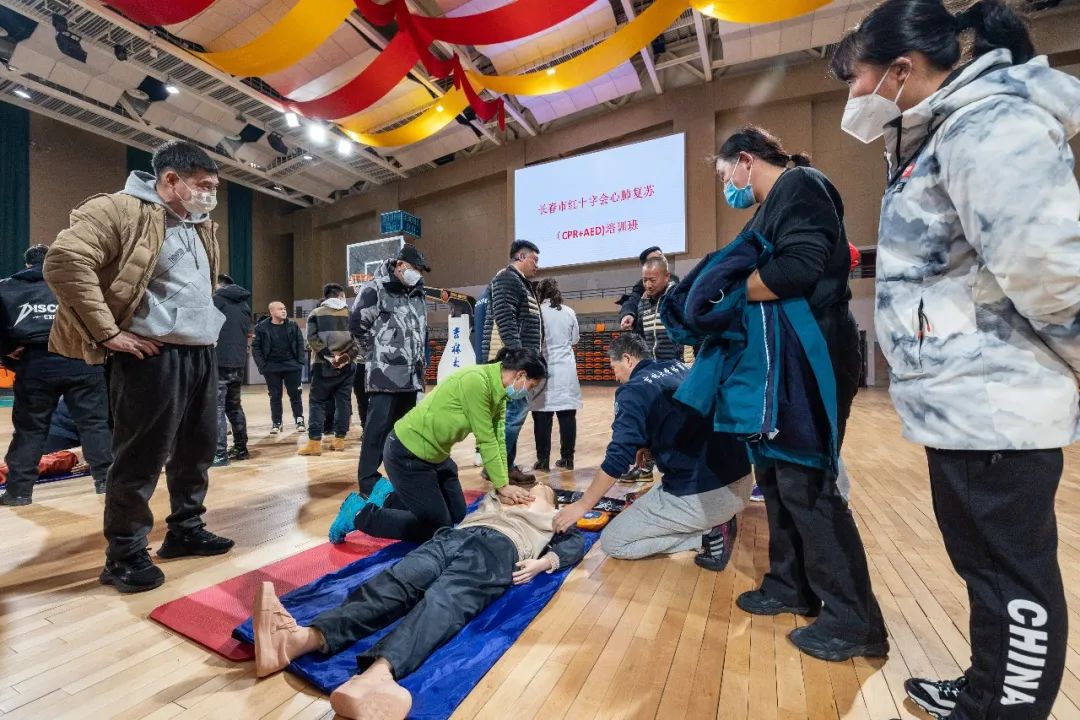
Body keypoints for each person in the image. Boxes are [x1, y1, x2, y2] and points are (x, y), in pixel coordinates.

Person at [831, 1, 1079, 716]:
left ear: (900, 70)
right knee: (987, 571)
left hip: (997, 402)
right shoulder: (942, 133)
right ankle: (984, 690)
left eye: (856, 78)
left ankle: (1004, 708)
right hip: (967, 405)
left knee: (1012, 581)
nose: (853, 95)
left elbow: (1053, 278)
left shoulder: (989, 127)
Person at [714, 126, 886, 660]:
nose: (727, 186)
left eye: (725, 175)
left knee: (806, 482)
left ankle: (855, 621)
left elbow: (797, 269)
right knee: (775, 478)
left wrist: (722, 291)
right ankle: (792, 585)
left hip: (816, 356)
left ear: (745, 160)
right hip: (783, 366)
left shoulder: (801, 184)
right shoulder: (767, 208)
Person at [45, 140, 234, 593]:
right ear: (170, 179)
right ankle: (125, 554)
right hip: (151, 355)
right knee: (140, 457)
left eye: (214, 187)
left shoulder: (199, 224)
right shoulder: (119, 209)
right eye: (203, 185)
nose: (210, 194)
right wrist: (107, 332)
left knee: (197, 451)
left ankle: (185, 530)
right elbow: (65, 261)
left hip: (200, 351)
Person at [254, 481, 584, 720]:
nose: (538, 487)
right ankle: (302, 639)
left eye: (544, 488)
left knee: (445, 600)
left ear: (552, 498)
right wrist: (504, 488)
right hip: (454, 537)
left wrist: (543, 563)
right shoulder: (503, 495)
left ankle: (377, 676)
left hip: (500, 549)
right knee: (398, 582)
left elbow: (574, 543)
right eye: (534, 484)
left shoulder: (555, 514)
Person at [554, 333, 751, 571]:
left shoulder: (633, 391)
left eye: (614, 368)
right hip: (740, 480)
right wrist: (647, 445)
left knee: (613, 541)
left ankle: (708, 534)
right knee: (639, 500)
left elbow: (617, 458)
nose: (616, 377)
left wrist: (582, 505)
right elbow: (681, 419)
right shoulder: (678, 367)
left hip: (710, 496)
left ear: (627, 359)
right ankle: (711, 519)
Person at [327, 348, 545, 545]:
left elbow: (498, 438)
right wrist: (503, 486)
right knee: (438, 527)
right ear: (521, 375)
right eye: (531, 386)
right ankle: (359, 514)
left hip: (437, 457)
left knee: (457, 515)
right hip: (408, 454)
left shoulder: (499, 392)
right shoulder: (477, 381)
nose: (528, 391)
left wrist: (502, 483)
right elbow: (486, 439)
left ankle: (388, 497)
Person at [0, 244, 113, 503]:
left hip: (35, 364)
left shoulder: (7, 287)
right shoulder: (81, 283)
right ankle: (106, 482)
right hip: (81, 360)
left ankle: (18, 492)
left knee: (29, 430)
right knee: (94, 425)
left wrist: (8, 351)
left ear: (28, 265)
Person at [350, 245, 430, 497]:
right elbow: (357, 325)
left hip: (412, 376)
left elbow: (421, 330)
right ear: (400, 265)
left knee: (404, 432)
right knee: (376, 432)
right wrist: (376, 354)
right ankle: (368, 482)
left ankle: (402, 477)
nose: (418, 273)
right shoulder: (375, 288)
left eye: (420, 270)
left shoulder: (418, 293)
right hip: (384, 376)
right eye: (415, 268)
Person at [480, 240, 543, 486]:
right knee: (512, 415)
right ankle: (498, 467)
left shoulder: (520, 283)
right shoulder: (507, 279)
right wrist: (519, 360)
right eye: (534, 259)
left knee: (509, 415)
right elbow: (505, 319)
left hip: (516, 362)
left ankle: (502, 465)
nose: (537, 265)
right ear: (521, 256)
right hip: (510, 364)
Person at [299, 284, 358, 456]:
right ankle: (339, 440)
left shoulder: (316, 313)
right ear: (340, 295)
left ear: (325, 296)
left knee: (317, 402)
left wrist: (330, 357)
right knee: (343, 401)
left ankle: (314, 443)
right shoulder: (351, 313)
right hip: (348, 365)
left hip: (322, 364)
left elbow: (312, 339)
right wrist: (345, 357)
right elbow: (359, 340)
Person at [529, 279, 581, 472]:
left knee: (542, 417)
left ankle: (543, 461)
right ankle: (567, 459)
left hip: (543, 369)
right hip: (566, 370)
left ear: (540, 293)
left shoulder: (537, 313)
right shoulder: (569, 312)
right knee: (567, 416)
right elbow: (574, 339)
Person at [212, 273, 252, 466]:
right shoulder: (244, 305)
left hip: (219, 361)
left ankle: (219, 454)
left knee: (217, 408)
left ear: (218, 285)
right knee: (234, 406)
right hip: (238, 361)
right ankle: (241, 449)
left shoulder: (216, 301)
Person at [252, 301, 306, 434]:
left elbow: (300, 344)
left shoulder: (292, 325)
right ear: (272, 312)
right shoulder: (261, 327)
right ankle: (276, 422)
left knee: (295, 395)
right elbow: (256, 348)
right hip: (271, 367)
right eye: (280, 309)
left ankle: (299, 420)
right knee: (275, 396)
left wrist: (299, 363)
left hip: (292, 366)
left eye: (284, 308)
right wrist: (263, 366)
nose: (284, 311)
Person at [634, 256, 687, 362]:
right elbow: (640, 338)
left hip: (678, 366)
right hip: (653, 367)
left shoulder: (678, 298)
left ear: (666, 276)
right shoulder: (642, 304)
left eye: (653, 280)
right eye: (645, 280)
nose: (648, 285)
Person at [618, 246, 680, 331]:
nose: (661, 260)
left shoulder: (675, 281)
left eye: (661, 256)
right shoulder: (642, 286)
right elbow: (632, 301)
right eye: (655, 259)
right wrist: (628, 314)